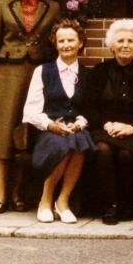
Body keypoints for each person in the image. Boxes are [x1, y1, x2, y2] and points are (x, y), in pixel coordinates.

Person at [0, 0, 60, 214]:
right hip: (6, 76)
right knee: (3, 136)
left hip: (37, 75)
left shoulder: (53, 8)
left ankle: (18, 194)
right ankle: (1, 196)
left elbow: (55, 43)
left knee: (26, 136)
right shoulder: (3, 6)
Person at [22, 18, 96, 223]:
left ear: (80, 42)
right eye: (61, 41)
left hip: (75, 129)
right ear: (55, 43)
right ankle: (45, 200)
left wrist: (79, 123)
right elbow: (30, 111)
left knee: (79, 139)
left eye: (71, 40)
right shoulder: (42, 71)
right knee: (64, 142)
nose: (66, 45)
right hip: (47, 131)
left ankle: (62, 200)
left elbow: (90, 110)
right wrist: (51, 125)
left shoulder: (88, 75)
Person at [86, 20, 133, 224]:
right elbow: (90, 107)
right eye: (120, 41)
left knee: (127, 154)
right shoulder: (99, 71)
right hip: (104, 128)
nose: (125, 45)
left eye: (130, 40)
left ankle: (128, 204)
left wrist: (131, 127)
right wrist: (106, 124)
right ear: (111, 45)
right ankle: (111, 205)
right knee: (103, 150)